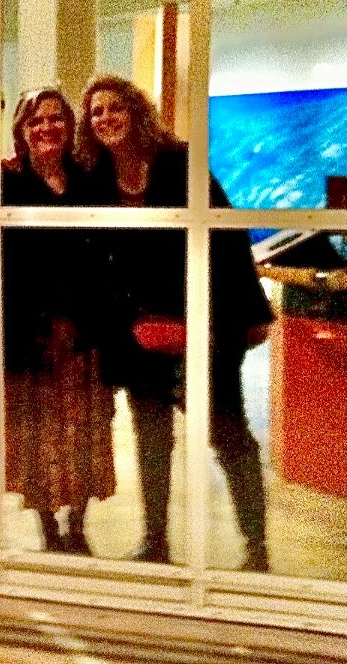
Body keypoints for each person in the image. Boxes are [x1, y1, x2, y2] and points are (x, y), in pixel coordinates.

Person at [76, 74, 274, 571]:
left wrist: (249, 315)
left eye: (115, 107)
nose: (106, 118)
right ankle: (156, 543)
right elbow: (95, 263)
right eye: (96, 111)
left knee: (229, 436)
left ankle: (257, 549)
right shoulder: (96, 179)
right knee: (151, 442)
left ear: (136, 111)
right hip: (137, 335)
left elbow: (228, 239)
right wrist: (131, 324)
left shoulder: (180, 163)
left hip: (203, 328)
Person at [2, 88, 117, 555]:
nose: (46, 128)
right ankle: (49, 527)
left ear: (70, 126)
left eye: (55, 119)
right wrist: (41, 325)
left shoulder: (90, 180)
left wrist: (80, 319)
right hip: (31, 336)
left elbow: (104, 259)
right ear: (22, 130)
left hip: (86, 332)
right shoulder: (6, 182)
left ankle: (78, 524)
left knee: (86, 430)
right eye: (36, 121)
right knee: (38, 434)